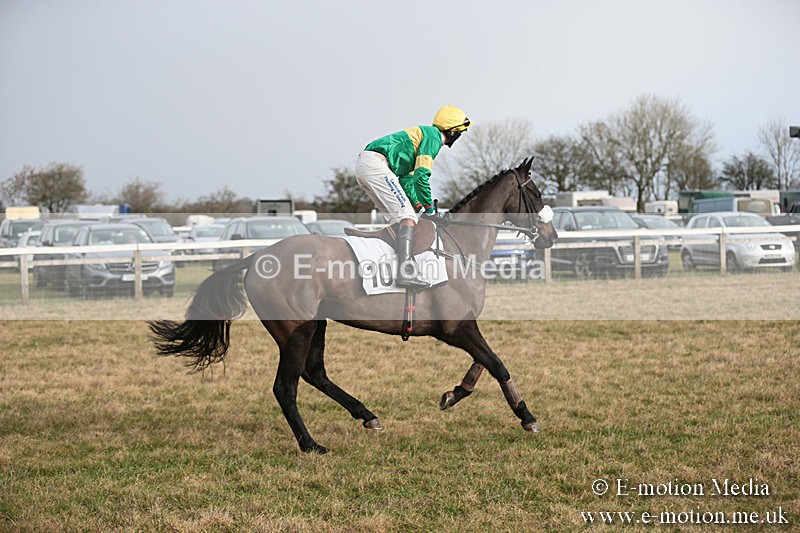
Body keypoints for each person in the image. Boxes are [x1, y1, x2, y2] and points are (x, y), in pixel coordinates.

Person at [355, 105, 471, 288]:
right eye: (460, 132)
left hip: (369, 165)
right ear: (454, 131)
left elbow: (407, 181)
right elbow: (421, 176)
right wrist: (431, 210)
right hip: (376, 165)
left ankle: (392, 268)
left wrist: (419, 206)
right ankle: (406, 272)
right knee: (407, 218)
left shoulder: (424, 137)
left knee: (402, 219)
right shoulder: (433, 137)